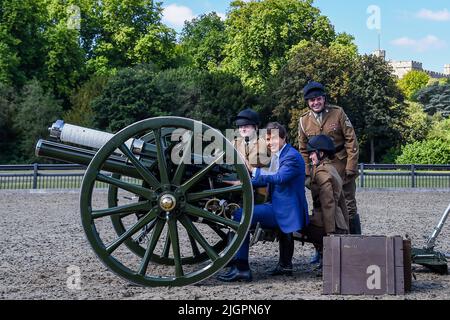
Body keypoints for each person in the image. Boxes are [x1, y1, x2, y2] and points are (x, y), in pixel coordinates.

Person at [218, 122, 309, 282]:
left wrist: (252, 170)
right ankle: (237, 263)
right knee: (241, 213)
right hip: (277, 205)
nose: (269, 143)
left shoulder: (292, 157)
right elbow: (267, 180)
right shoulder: (279, 154)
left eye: (273, 139)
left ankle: (242, 269)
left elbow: (279, 178)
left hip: (285, 210)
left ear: (283, 137)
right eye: (267, 139)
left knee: (240, 215)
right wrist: (241, 183)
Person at [298, 81, 361, 235]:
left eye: (318, 99)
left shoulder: (338, 113)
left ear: (324, 99)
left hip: (340, 164)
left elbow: (351, 140)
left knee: (348, 204)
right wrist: (307, 173)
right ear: (308, 102)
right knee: (321, 205)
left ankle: (354, 241)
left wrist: (351, 167)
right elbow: (303, 148)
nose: (315, 103)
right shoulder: (303, 121)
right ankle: (322, 246)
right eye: (312, 100)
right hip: (318, 169)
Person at [300, 135, 349, 271]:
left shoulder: (322, 172)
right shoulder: (330, 168)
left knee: (297, 225)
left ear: (321, 153)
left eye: (312, 154)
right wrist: (346, 227)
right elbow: (343, 203)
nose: (310, 157)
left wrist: (330, 233)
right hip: (338, 222)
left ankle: (325, 258)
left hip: (328, 222)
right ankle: (324, 259)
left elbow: (328, 203)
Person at [233, 108, 271, 203]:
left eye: (246, 126)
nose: (243, 129)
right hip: (237, 188)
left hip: (260, 190)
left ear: (256, 127)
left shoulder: (265, 144)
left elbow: (270, 170)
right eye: (240, 126)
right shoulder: (234, 143)